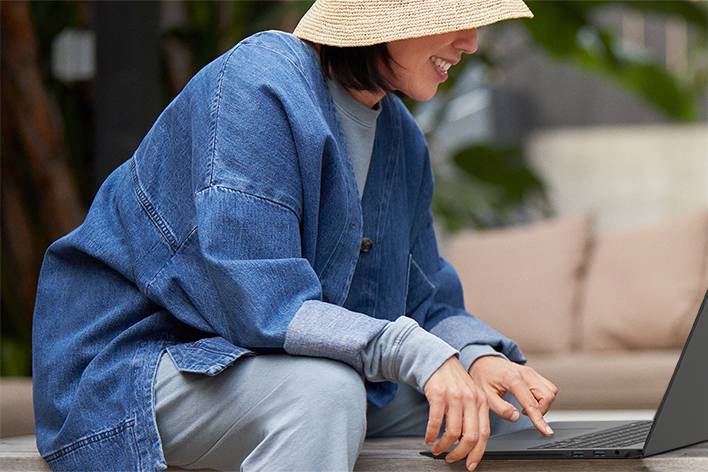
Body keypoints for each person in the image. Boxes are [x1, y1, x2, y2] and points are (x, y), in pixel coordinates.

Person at [31, 1, 558, 471]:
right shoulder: (258, 84)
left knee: (500, 414)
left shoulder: (401, 139)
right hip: (137, 367)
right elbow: (262, 302)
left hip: (271, 366)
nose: (470, 42)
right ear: (385, 19)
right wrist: (411, 351)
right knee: (325, 394)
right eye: (454, 19)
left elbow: (426, 300)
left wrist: (476, 357)